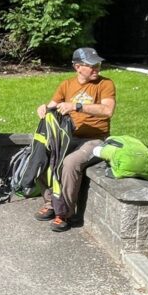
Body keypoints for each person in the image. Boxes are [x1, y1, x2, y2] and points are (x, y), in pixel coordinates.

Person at [34, 47, 115, 232]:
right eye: (92, 65)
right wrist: (43, 108)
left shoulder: (105, 84)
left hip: (95, 139)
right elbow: (51, 107)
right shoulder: (66, 85)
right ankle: (50, 202)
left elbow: (107, 110)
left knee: (70, 163)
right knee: (41, 155)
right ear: (78, 67)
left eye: (98, 64)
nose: (97, 68)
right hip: (69, 137)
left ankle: (64, 213)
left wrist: (77, 106)